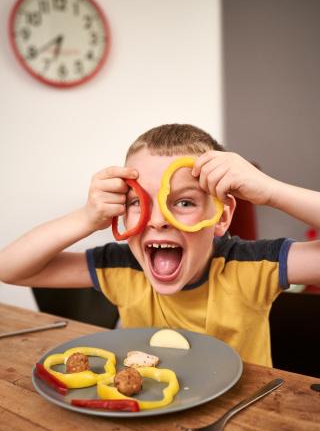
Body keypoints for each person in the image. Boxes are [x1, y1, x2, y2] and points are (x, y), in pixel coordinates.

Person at [0, 124, 319, 367]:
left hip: (242, 417)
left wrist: (272, 191)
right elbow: (9, 268)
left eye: (182, 202)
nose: (157, 220)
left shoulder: (253, 265)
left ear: (222, 216)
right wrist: (85, 218)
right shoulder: (120, 267)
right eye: (138, 202)